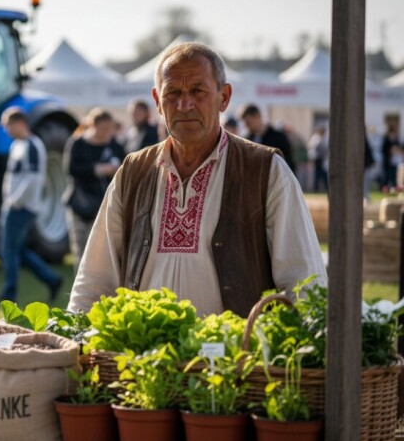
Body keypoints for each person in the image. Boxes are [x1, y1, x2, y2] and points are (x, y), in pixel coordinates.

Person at [68, 42, 326, 318]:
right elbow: (94, 281)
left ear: (224, 97)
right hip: (141, 358)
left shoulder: (266, 171)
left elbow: (303, 283)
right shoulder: (133, 172)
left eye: (198, 91)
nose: (185, 104)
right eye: (173, 93)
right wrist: (73, 340)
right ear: (157, 101)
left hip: (235, 358)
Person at [0, 107, 63, 304]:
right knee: (18, 250)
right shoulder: (18, 145)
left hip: (21, 208)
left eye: (8, 124)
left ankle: (9, 294)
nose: (6, 129)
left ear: (19, 123)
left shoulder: (32, 146)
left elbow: (33, 179)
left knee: (8, 250)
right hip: (15, 206)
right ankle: (52, 279)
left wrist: (15, 201)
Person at [63, 108, 125, 270]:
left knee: (101, 256)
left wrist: (115, 170)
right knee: (81, 252)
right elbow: (70, 169)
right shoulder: (78, 143)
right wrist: (96, 169)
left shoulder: (115, 146)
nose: (107, 132)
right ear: (93, 125)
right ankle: (80, 294)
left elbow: (126, 169)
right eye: (104, 128)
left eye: (109, 128)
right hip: (80, 205)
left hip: (104, 208)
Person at [239, 104, 296, 173]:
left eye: (248, 123)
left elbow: (288, 162)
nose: (247, 126)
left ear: (257, 116)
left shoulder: (278, 137)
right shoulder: (246, 139)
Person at [306, 123, 329, 192]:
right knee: (318, 174)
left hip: (321, 158)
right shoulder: (316, 138)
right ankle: (316, 188)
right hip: (316, 158)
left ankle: (323, 187)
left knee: (320, 173)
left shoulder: (322, 138)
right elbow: (314, 148)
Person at [381, 123, 402, 190]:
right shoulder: (386, 140)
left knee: (394, 176)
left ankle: (394, 187)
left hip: (394, 162)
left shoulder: (396, 140)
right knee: (387, 176)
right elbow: (384, 150)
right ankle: (386, 187)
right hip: (388, 162)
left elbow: (400, 148)